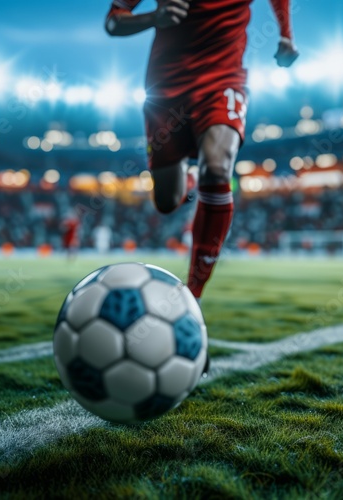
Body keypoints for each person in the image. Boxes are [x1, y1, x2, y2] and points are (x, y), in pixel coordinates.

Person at [105, 0, 298, 301]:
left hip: (223, 81)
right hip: (165, 91)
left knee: (218, 167)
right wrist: (154, 17)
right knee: (166, 202)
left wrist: (286, 34)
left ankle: (192, 293)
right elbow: (113, 22)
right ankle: (191, 179)